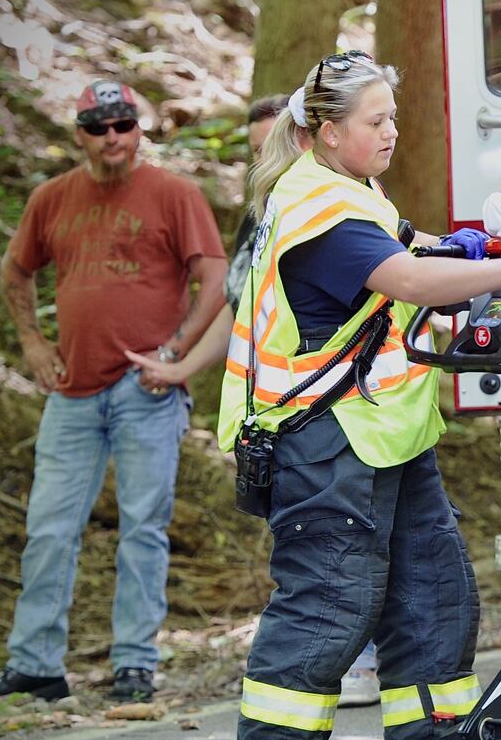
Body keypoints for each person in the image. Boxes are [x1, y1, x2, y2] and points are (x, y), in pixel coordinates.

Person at [216, 49, 501, 740]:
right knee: (327, 606)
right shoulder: (318, 208)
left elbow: (414, 247)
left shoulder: (352, 191)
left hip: (384, 431)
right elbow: (409, 281)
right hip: (324, 440)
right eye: (376, 121)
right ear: (326, 133)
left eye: (392, 116)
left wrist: (471, 247)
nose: (392, 132)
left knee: (434, 598)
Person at [0, 80, 228, 705]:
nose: (112, 136)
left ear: (139, 130)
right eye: (97, 126)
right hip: (72, 391)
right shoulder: (52, 198)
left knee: (143, 527)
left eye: (123, 124)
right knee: (50, 528)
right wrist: (32, 342)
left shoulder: (174, 193)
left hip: (146, 389)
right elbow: (15, 270)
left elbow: (215, 275)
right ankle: (34, 665)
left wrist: (176, 352)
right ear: (78, 135)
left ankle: (134, 664)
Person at [129, 93, 384, 708]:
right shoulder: (263, 214)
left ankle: (362, 661)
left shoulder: (340, 208)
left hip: (341, 410)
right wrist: (185, 366)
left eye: (279, 142)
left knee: (347, 546)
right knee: (314, 550)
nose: (270, 159)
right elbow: (238, 305)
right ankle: (334, 664)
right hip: (273, 416)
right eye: (256, 151)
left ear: (314, 138)